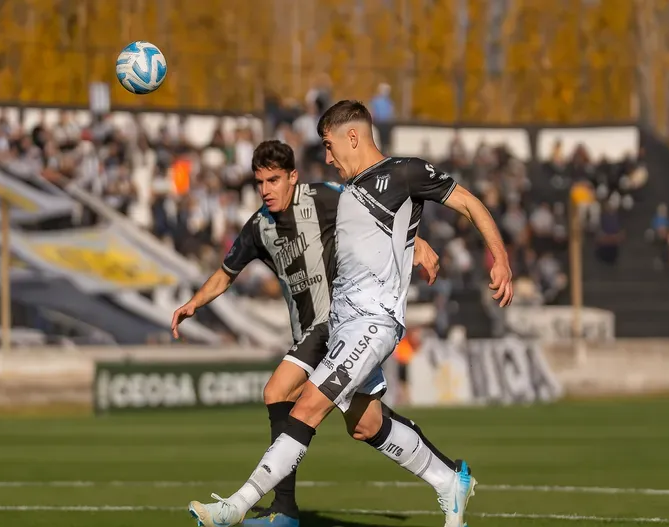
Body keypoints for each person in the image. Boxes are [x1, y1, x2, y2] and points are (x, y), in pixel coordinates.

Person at [186, 101, 513, 527]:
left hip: (373, 323)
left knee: (304, 407)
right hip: (341, 327)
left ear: (352, 137)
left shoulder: (403, 173)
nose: (326, 156)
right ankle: (449, 479)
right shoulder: (348, 193)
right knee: (364, 424)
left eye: (328, 144)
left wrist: (500, 259)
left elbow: (470, 204)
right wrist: (416, 245)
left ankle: (237, 506)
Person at [171, 139, 447, 527]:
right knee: (366, 425)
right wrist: (194, 304)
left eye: (274, 180)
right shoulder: (258, 227)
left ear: (293, 177)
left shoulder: (321, 197)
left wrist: (414, 241)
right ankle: (450, 474)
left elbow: (375, 214)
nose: (266, 189)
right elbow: (225, 273)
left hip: (337, 323)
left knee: (277, 391)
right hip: (316, 334)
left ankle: (281, 510)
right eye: (260, 182)